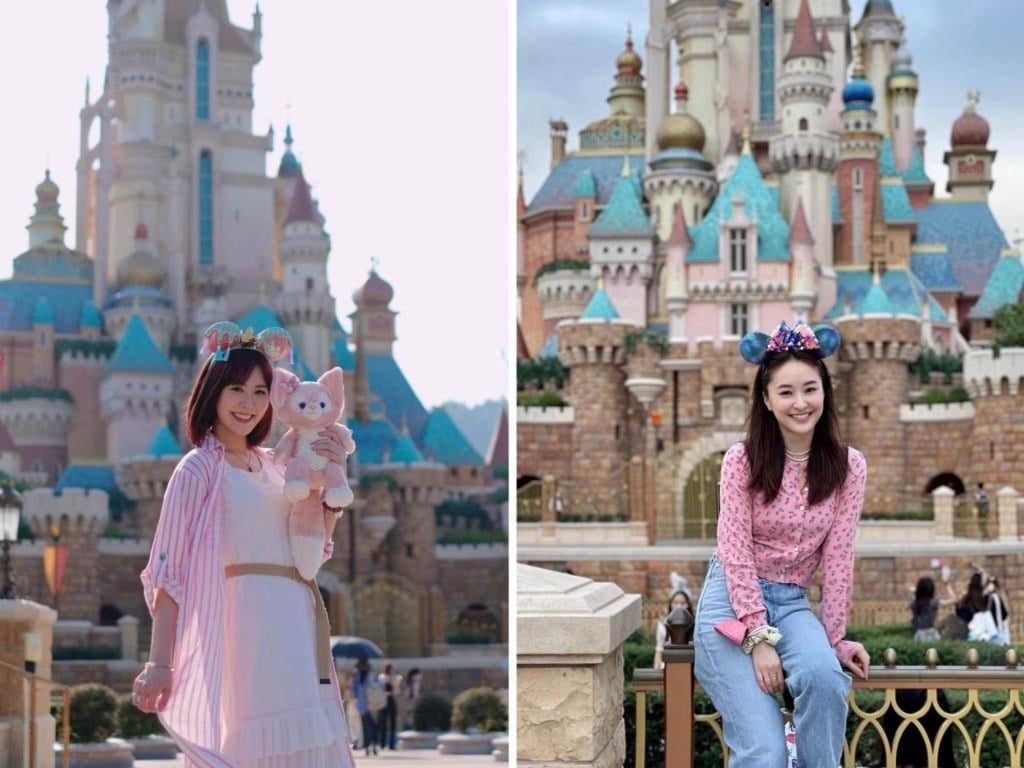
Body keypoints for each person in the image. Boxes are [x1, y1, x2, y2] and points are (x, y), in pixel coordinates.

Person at [130, 323, 356, 767]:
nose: (248, 404)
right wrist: (159, 663)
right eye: (237, 389)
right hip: (243, 628)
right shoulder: (197, 470)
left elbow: (310, 552)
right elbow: (167, 571)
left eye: (259, 392)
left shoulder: (277, 466)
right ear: (212, 390)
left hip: (297, 619)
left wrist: (329, 496)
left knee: (306, 745)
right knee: (254, 744)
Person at [693, 320, 871, 768]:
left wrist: (834, 641)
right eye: (786, 392)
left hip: (791, 604)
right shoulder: (742, 461)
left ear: (825, 393)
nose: (800, 402)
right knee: (766, 752)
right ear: (767, 400)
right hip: (730, 608)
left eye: (809, 389)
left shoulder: (848, 468)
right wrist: (758, 637)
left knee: (826, 679)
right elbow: (734, 552)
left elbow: (838, 560)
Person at [654, 580, 693, 669]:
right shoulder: (663, 625)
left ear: (688, 605)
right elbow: (659, 650)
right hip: (667, 668)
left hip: (689, 667)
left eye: (683, 603)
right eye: (675, 602)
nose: (679, 606)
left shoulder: (695, 625)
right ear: (671, 604)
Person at [909, 576, 956, 643]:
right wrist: (947, 585)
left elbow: (918, 596)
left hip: (919, 635)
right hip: (932, 634)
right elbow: (953, 599)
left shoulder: (914, 602)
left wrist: (915, 591)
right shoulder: (934, 601)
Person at [351, 659, 379, 756]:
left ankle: (368, 747)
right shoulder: (372, 675)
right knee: (373, 726)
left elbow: (353, 691)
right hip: (373, 705)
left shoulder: (357, 676)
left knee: (366, 727)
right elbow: (379, 687)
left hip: (362, 705)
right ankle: (374, 745)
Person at [377, 662, 401, 750]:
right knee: (386, 723)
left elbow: (397, 692)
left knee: (389, 723)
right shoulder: (382, 678)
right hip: (385, 701)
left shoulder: (391, 678)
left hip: (387, 701)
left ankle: (388, 743)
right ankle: (386, 743)